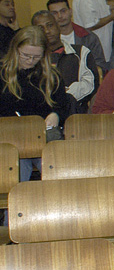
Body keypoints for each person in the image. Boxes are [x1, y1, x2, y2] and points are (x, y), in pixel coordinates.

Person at [0, 26, 71, 179]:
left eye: (36, 57)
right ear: (15, 50)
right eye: (25, 55)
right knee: (18, 167)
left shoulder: (51, 76)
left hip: (44, 138)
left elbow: (63, 106)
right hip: (9, 138)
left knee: (56, 168)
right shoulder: (3, 74)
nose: (30, 60)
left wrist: (56, 115)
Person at [33, 9, 95, 110]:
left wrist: (61, 95)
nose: (47, 31)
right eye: (41, 28)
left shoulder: (80, 52)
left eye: (50, 25)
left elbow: (89, 84)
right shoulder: (32, 58)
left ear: (58, 26)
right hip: (42, 111)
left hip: (74, 111)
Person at [47, 0, 110, 73]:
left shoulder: (88, 37)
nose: (60, 16)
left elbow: (100, 66)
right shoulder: (47, 39)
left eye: (63, 11)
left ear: (70, 12)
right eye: (54, 13)